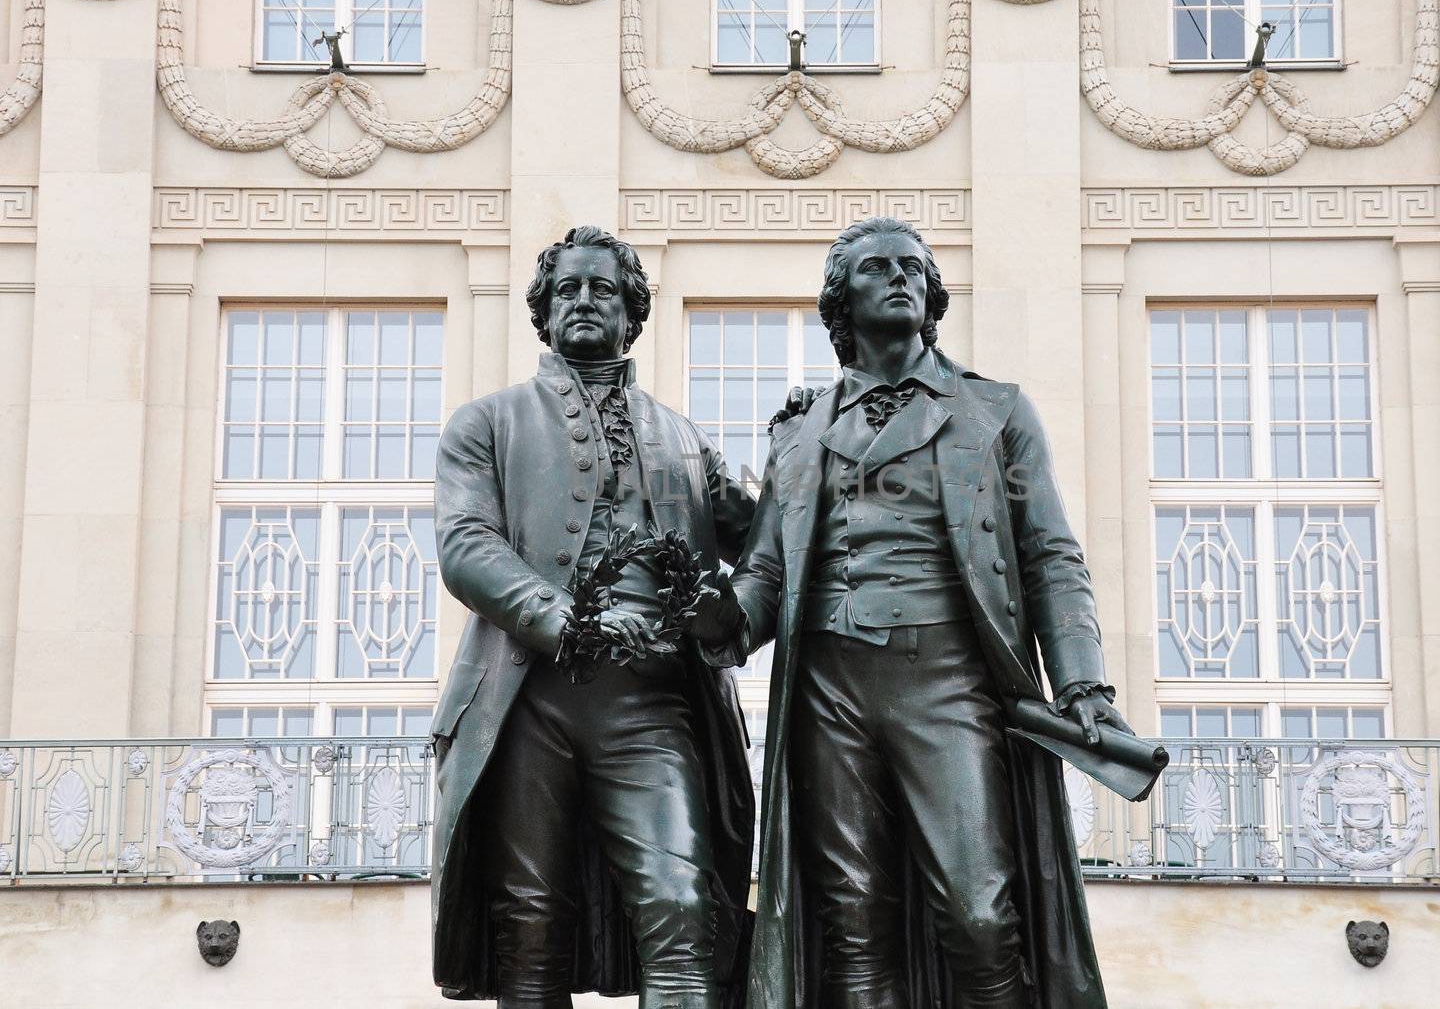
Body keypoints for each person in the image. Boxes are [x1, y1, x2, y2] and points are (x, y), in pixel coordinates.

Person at [709, 217, 1132, 1008]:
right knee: (853, 924)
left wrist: (1084, 685)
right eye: (878, 268)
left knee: (979, 914)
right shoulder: (801, 432)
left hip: (946, 680)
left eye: (914, 267)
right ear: (842, 299)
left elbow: (1051, 555)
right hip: (830, 690)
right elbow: (766, 572)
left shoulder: (995, 410)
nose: (902, 277)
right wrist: (718, 618)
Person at [429, 226, 756, 1008]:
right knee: (530, 926)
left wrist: (812, 446)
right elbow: (466, 545)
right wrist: (563, 617)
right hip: (527, 695)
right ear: (542, 310)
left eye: (602, 288)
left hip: (653, 701)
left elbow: (770, 546)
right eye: (567, 288)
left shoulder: (686, 439)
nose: (583, 300)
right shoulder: (487, 423)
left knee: (683, 907)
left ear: (631, 309)